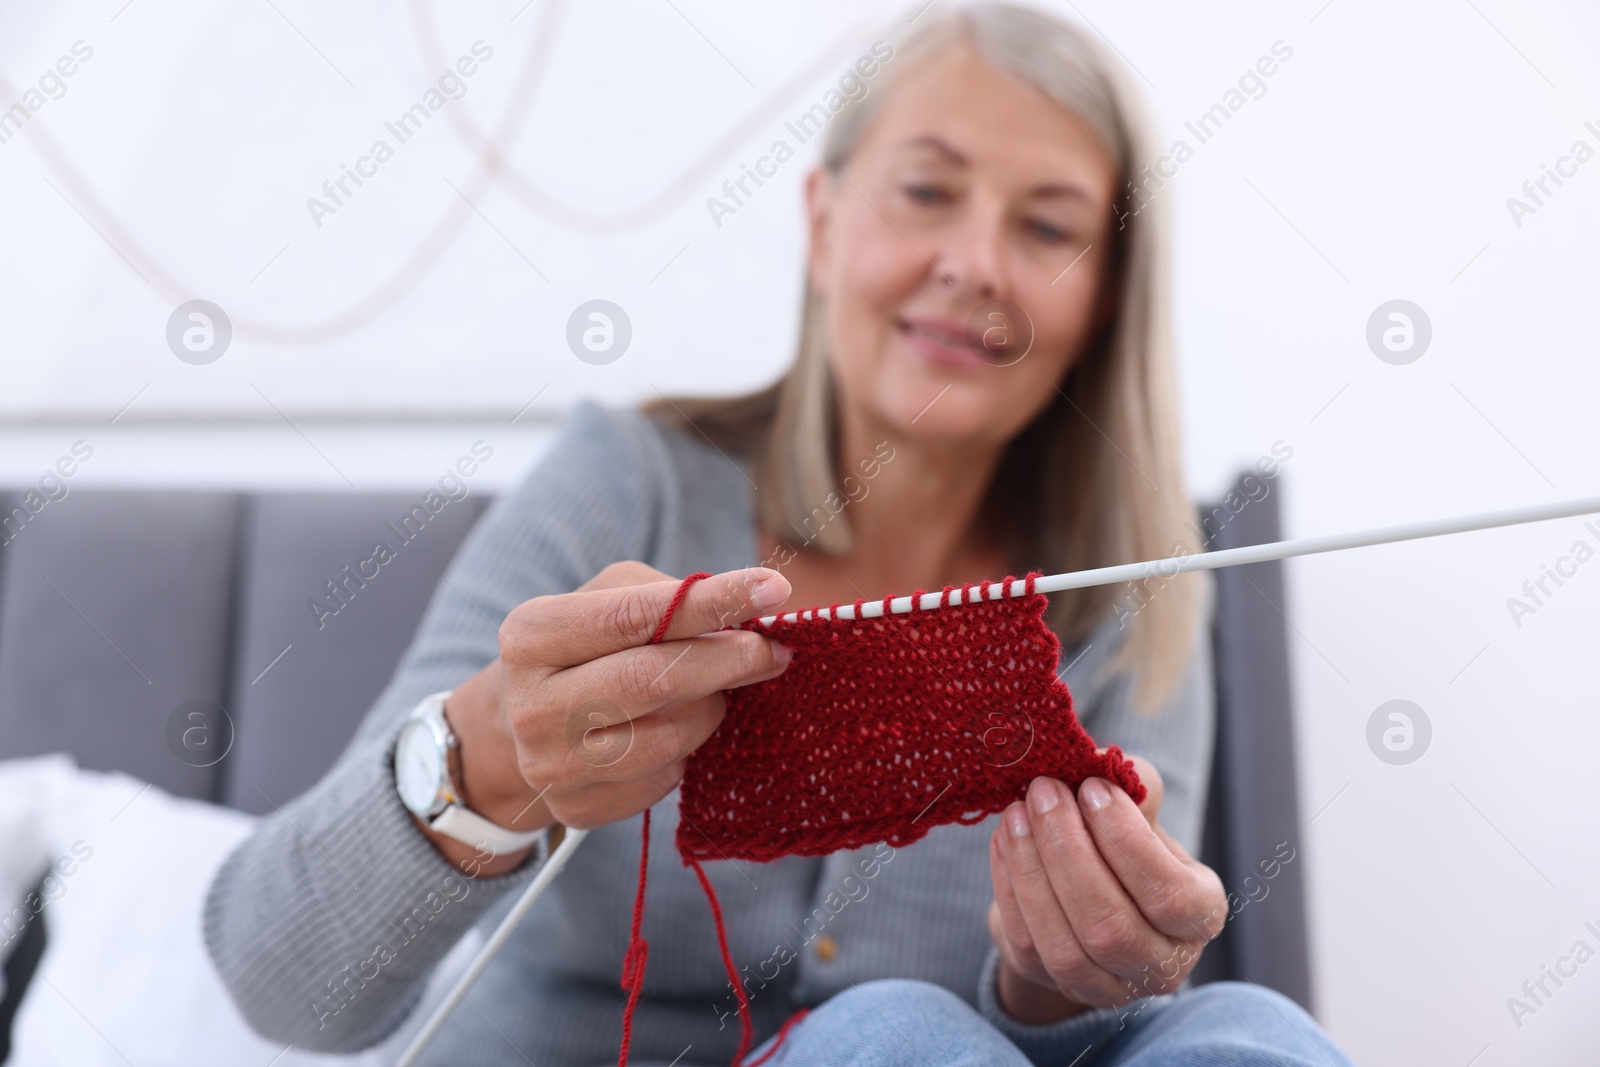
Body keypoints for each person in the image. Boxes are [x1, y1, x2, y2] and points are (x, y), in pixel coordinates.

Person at [204, 4, 1356, 1065]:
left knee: (1248, 1027)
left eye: (1047, 225)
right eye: (925, 192)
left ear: (1103, 298)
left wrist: (1055, 982)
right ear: (821, 219)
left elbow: (1097, 1021)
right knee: (897, 1028)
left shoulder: (1132, 593)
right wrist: (492, 756)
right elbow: (280, 978)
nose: (974, 265)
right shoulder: (628, 484)